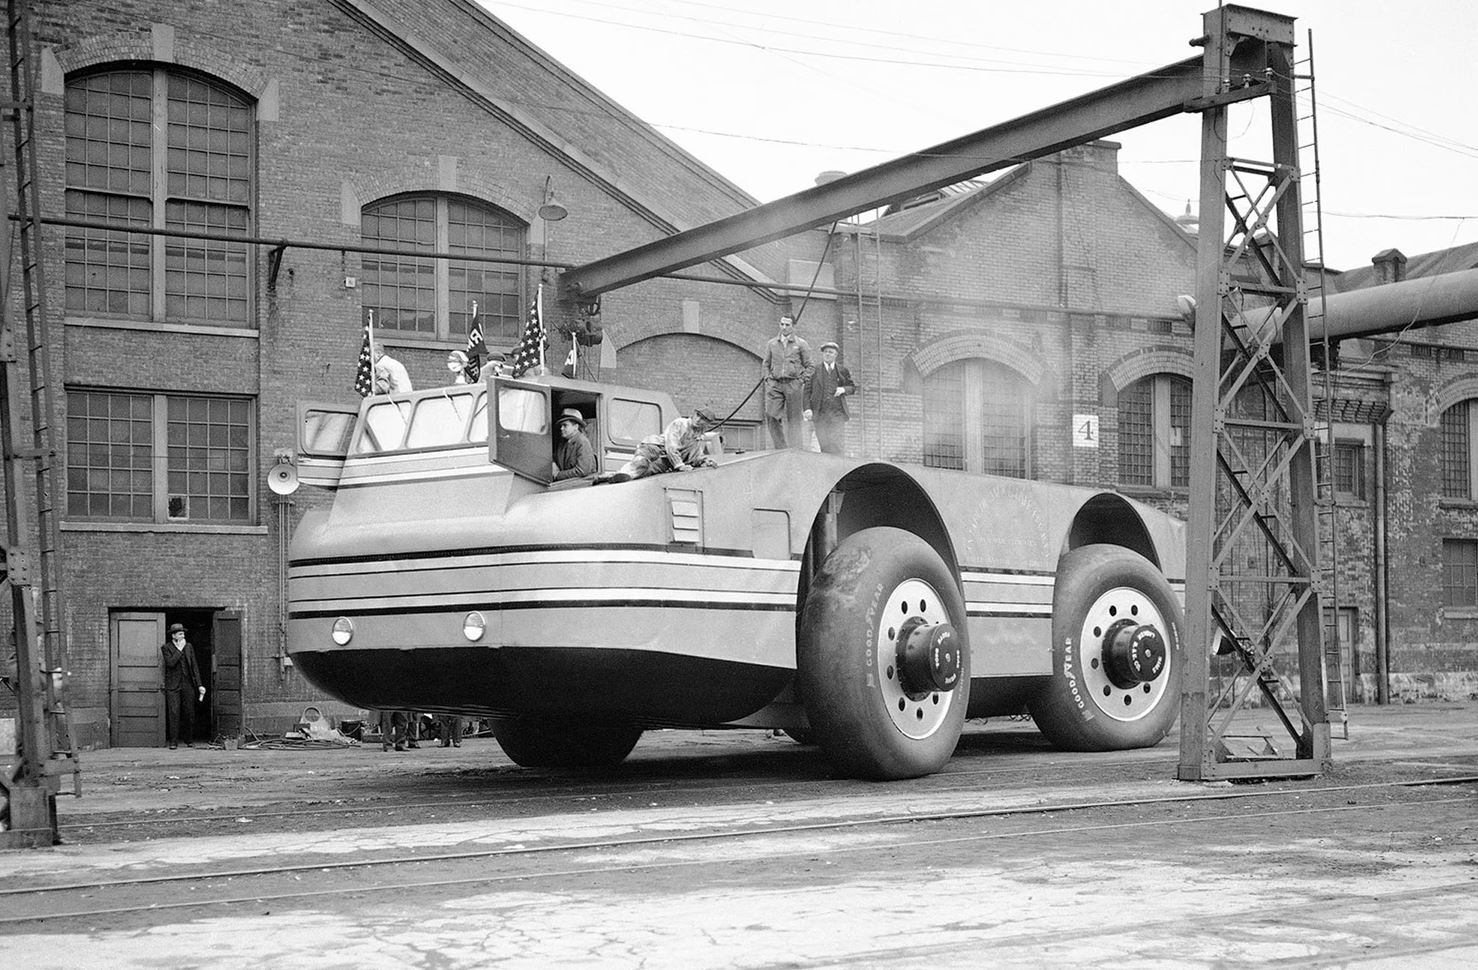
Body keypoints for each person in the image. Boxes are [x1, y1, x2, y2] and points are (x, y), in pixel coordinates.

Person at [611, 407, 719, 481]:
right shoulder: (680, 423)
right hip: (654, 447)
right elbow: (671, 446)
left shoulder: (698, 436)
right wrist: (680, 465)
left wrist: (705, 461)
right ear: (694, 414)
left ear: (708, 423)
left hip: (667, 459)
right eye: (698, 415)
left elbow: (694, 456)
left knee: (647, 472)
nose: (699, 420)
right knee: (640, 463)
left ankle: (613, 478)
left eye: (703, 419)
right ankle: (622, 474)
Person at [761, 314, 814, 449]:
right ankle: (781, 448)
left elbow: (810, 366)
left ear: (793, 326)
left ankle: (795, 450)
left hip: (793, 385)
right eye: (782, 324)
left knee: (794, 419)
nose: (784, 327)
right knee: (771, 415)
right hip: (775, 384)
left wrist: (800, 381)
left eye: (787, 325)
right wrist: (768, 379)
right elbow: (766, 364)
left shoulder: (801, 344)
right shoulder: (772, 344)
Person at [804, 341, 857, 455]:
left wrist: (843, 389)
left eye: (830, 352)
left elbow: (852, 387)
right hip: (820, 413)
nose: (827, 354)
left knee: (837, 444)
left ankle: (839, 465)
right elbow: (807, 391)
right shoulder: (814, 370)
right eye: (825, 352)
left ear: (835, 355)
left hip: (837, 414)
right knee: (824, 444)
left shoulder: (842, 370)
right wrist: (807, 409)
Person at [160, 623, 205, 749]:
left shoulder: (189, 647)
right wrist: (179, 649)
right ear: (173, 636)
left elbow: (194, 666)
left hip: (187, 684)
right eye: (180, 634)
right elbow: (170, 663)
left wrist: (199, 685)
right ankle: (173, 742)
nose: (183, 636)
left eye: (183, 634)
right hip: (173, 685)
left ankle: (188, 739)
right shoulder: (166, 648)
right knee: (174, 713)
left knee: (189, 712)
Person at [551, 407, 596, 481]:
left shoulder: (582, 442)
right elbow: (554, 457)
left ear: (575, 427)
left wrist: (558, 475)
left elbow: (582, 470)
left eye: (565, 425)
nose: (561, 428)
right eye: (561, 426)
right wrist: (553, 464)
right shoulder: (563, 442)